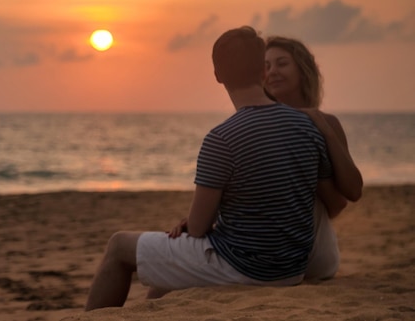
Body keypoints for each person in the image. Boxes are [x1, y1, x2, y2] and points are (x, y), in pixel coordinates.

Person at [85, 26, 334, 311]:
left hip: (247, 267)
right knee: (164, 281)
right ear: (263, 72)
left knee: (119, 246)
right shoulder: (307, 126)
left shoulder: (222, 138)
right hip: (293, 269)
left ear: (218, 75)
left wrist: (193, 221)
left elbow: (200, 227)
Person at [264, 36, 363, 280]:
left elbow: (352, 192)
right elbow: (336, 203)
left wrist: (324, 129)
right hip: (264, 245)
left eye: (281, 63)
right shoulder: (259, 123)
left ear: (302, 69)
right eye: (265, 66)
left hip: (312, 248)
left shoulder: (327, 122)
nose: (272, 71)